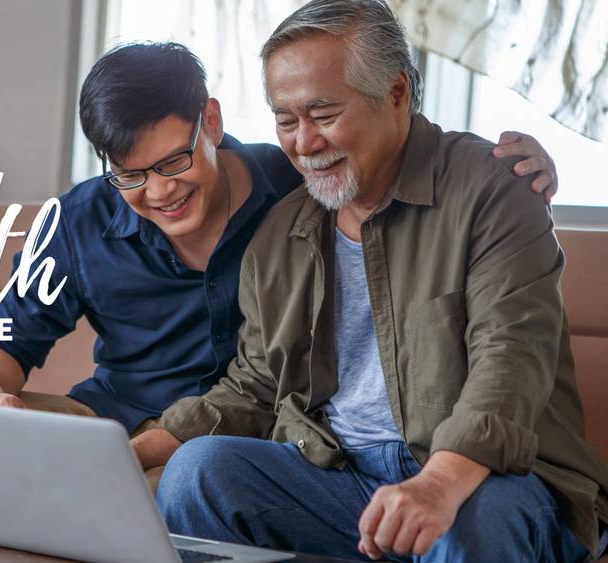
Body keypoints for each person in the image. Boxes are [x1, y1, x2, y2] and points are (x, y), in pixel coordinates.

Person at [0, 40, 561, 507]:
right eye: (129, 175)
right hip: (107, 430)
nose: (157, 191)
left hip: (241, 438)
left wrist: (516, 167)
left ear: (210, 120)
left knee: (191, 481)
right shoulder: (79, 220)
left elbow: (392, 162)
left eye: (173, 162)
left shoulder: (293, 185)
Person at [146, 2, 608, 562]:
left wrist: (438, 483)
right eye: (285, 120)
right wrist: (134, 451)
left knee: (466, 523)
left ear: (396, 95)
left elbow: (510, 357)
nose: (304, 143)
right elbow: (256, 385)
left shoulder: (494, 188)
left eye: (323, 113)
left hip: (488, 477)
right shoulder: (279, 236)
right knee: (197, 472)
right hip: (337, 476)